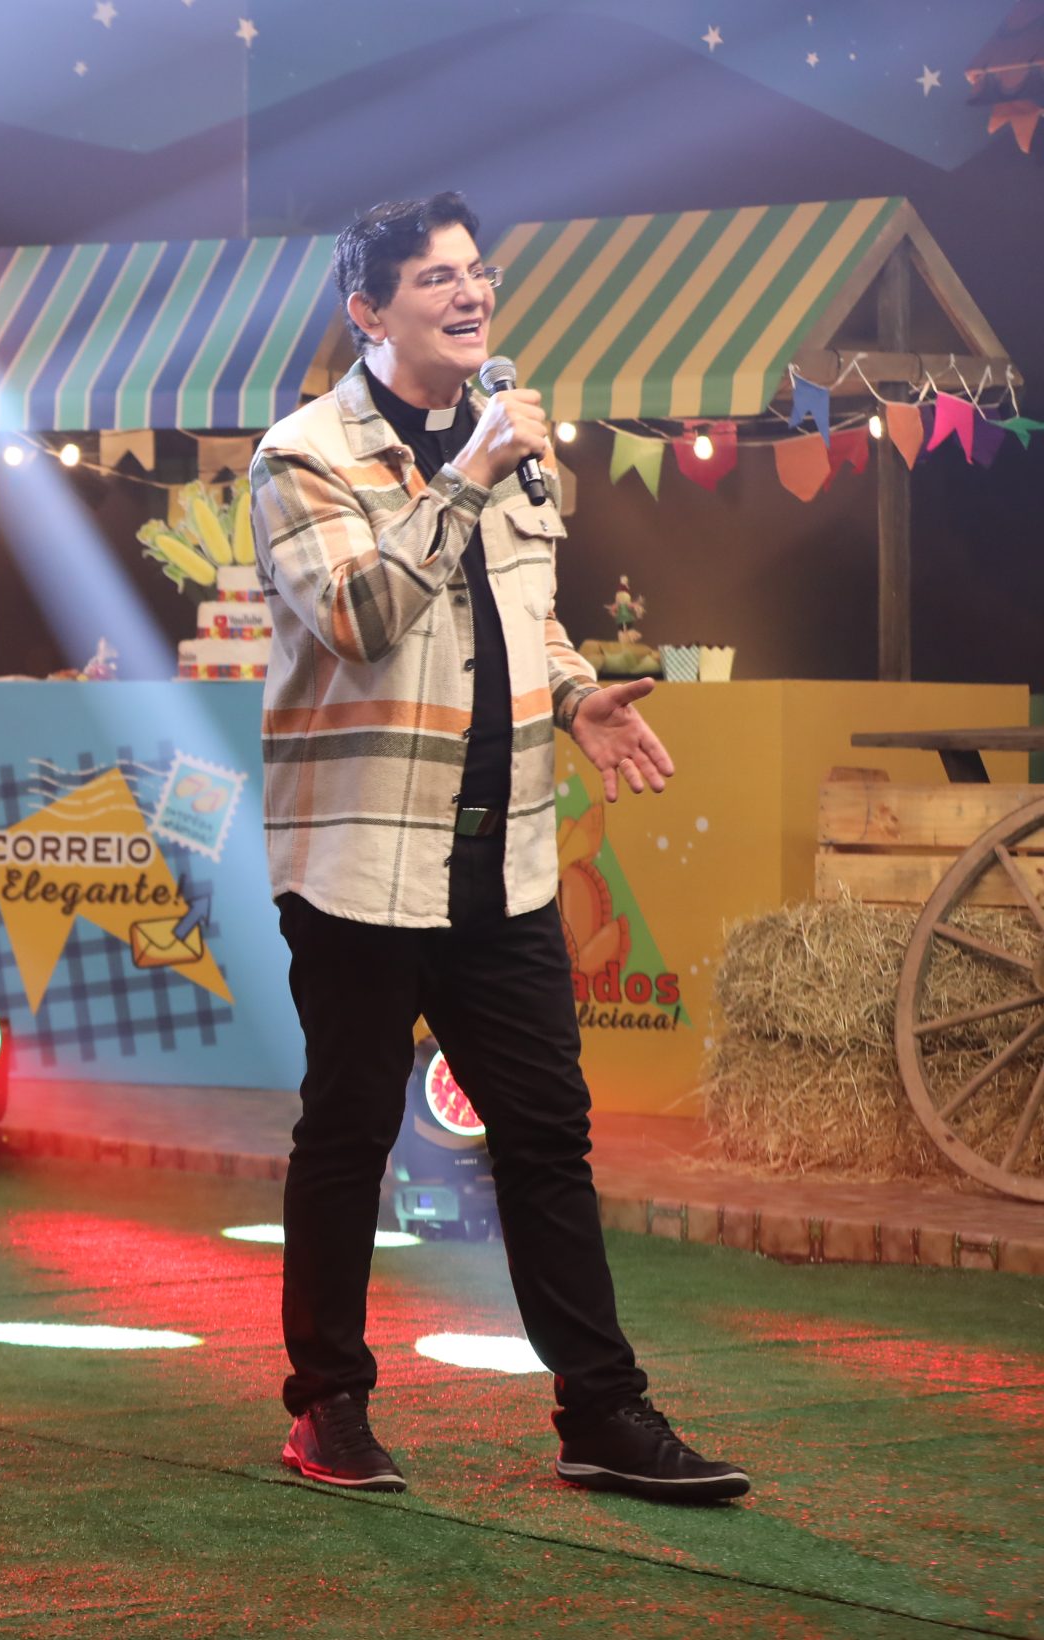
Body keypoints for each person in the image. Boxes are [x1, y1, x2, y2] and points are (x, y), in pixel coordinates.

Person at [248, 192, 748, 1503]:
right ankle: (328, 1405)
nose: (471, 294)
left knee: (545, 1134)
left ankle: (601, 1410)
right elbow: (360, 617)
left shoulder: (512, 440)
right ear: (368, 310)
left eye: (477, 272)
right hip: (362, 859)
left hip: (505, 857)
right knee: (349, 1129)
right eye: (435, 278)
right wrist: (466, 471)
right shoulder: (302, 455)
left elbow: (523, 613)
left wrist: (576, 694)